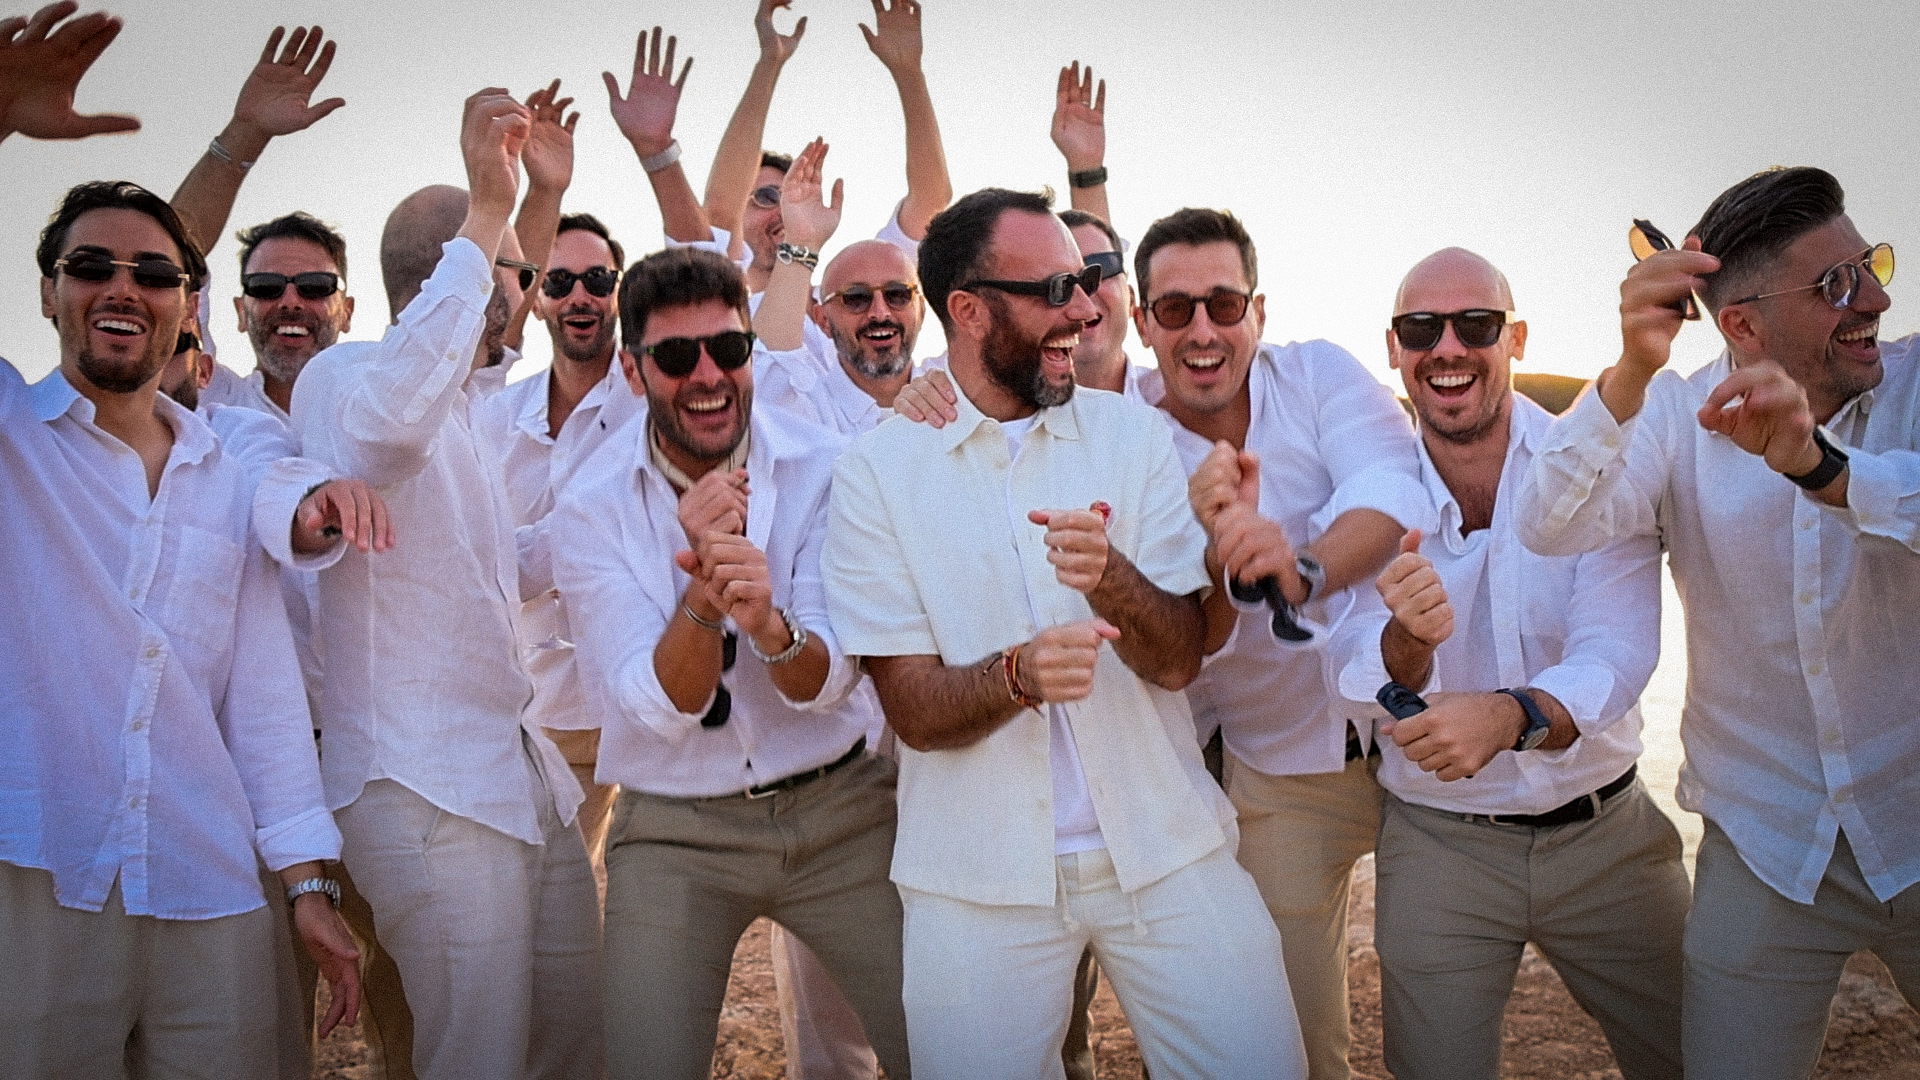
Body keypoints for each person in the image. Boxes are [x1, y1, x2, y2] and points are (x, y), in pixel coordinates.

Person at [824, 187, 1307, 1079]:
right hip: (973, 880)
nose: (1086, 311)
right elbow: (913, 711)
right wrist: (1020, 675)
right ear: (969, 310)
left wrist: (1111, 578)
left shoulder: (1133, 437)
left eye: (1084, 283)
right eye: (1055, 289)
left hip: (1168, 845)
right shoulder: (876, 474)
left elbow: (1180, 659)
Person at [1515, 166, 1920, 1080]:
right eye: (1837, 283)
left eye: (1872, 264)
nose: (1876, 297)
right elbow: (1548, 524)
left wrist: (1824, 469)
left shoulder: (1917, 381)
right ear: (1740, 326)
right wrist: (1631, 369)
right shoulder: (1673, 413)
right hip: (1765, 839)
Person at [0, 175, 360, 1076]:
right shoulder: (11, 437)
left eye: (155, 274)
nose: (124, 289)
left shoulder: (227, 479)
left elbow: (262, 703)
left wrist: (308, 884)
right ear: (47, 291)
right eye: (92, 267)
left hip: (208, 880)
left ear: (187, 304)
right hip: (36, 866)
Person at [291, 89, 601, 1080]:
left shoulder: (463, 408)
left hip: (518, 776)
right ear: (459, 275)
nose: (532, 291)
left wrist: (649, 515)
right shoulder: (346, 378)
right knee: (479, 1060)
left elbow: (503, 573)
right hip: (423, 790)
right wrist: (488, 209)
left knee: (572, 1045)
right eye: (516, 269)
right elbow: (386, 438)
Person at [1327, 247, 1688, 1078]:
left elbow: (1617, 651)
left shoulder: (1596, 464)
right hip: (1438, 843)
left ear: (1515, 338)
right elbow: (1346, 655)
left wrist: (1509, 715)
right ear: (1394, 348)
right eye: (1423, 328)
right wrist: (1408, 640)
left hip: (1609, 838)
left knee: (1695, 1055)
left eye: (1476, 324)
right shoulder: (1367, 491)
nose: (1448, 347)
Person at [550, 246, 910, 1080]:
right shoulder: (590, 505)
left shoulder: (825, 465)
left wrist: (768, 625)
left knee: (943, 1049)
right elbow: (650, 706)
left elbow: (831, 680)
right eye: (677, 356)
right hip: (675, 828)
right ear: (633, 372)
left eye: (729, 348)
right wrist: (705, 599)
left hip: (842, 810)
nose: (708, 375)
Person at [1139, 207, 1427, 1080]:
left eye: (1224, 304)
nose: (1202, 330)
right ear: (1142, 321)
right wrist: (1212, 548)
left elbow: (1390, 489)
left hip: (1426, 750)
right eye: (1176, 309)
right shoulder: (1129, 441)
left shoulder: (1319, 374)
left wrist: (1299, 569)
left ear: (1258, 312)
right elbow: (1168, 643)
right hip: (1279, 774)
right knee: (1297, 1041)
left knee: (1439, 1005)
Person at [477, 210, 636, 899]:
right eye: (560, 281)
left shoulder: (656, 408)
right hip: (538, 706)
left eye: (597, 280)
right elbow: (478, 562)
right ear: (537, 298)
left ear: (619, 292)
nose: (580, 297)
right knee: (545, 899)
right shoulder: (492, 418)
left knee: (644, 907)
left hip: (647, 701)